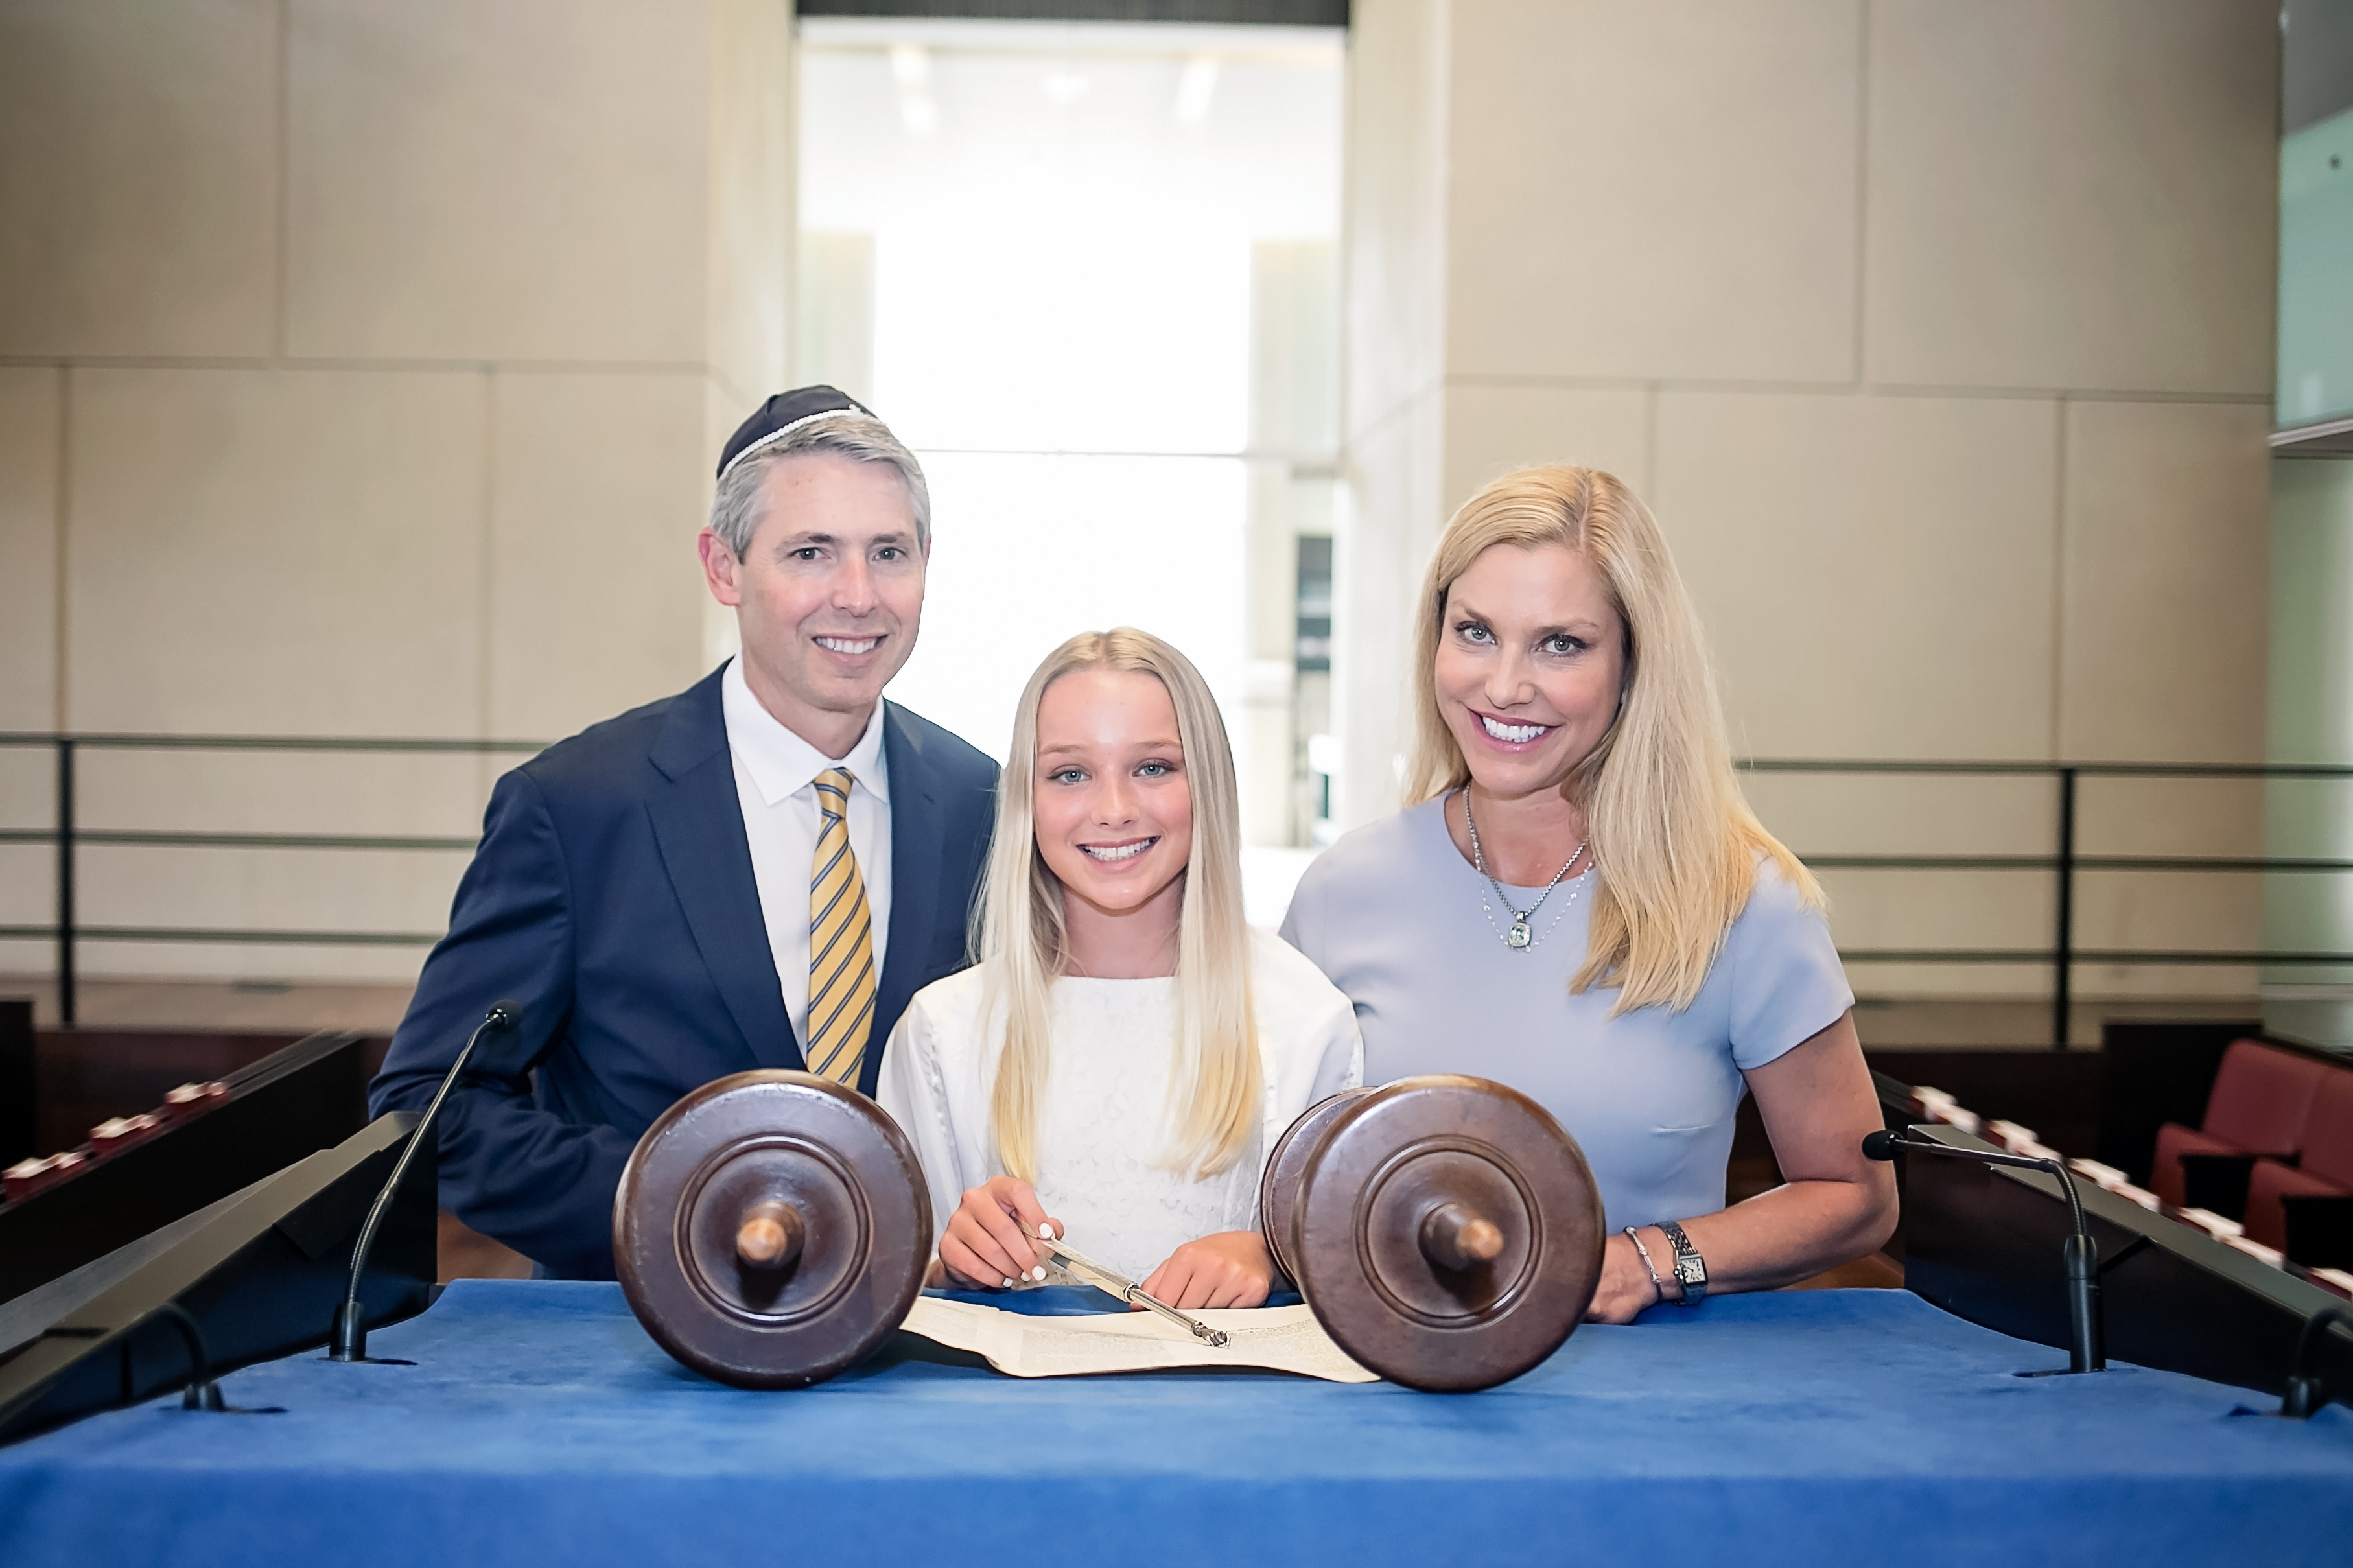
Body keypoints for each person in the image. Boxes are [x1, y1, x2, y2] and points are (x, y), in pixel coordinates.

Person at [371, 387, 998, 1280]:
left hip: (919, 1327)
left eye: (888, 552)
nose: (858, 596)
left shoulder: (984, 801)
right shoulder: (577, 807)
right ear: (723, 567)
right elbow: (431, 1109)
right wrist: (691, 1200)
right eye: (811, 552)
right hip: (642, 1333)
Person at [1281, 465, 1895, 1323]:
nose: (1505, 685)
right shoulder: (1341, 891)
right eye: (1475, 632)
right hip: (1388, 1377)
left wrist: (1650, 1260)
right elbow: (1278, 1176)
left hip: (1637, 1385)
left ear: (1632, 665)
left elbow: (1854, 1195)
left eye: (1560, 643)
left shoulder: (1740, 902)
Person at [877, 629, 1362, 1309]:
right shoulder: (941, 1031)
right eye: (1071, 774)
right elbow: (897, 1290)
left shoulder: (1305, 1018)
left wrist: (1275, 1258)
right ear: (1027, 800)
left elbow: (1348, 1274)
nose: (1114, 810)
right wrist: (953, 1263)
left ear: (1208, 783)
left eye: (1153, 767)